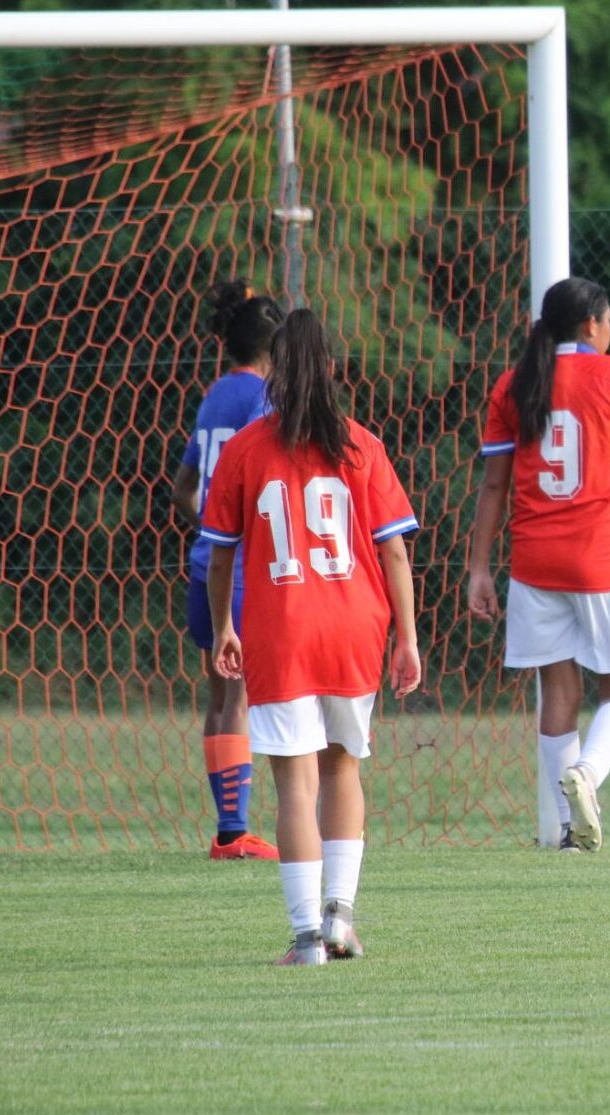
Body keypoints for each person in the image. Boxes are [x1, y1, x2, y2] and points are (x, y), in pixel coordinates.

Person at [201, 309, 422, 966]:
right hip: (356, 626)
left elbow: (218, 555)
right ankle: (340, 918)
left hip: (284, 629)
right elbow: (395, 554)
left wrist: (223, 628)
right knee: (341, 768)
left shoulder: (246, 449)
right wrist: (407, 636)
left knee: (294, 784)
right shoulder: (362, 444)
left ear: (273, 369)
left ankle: (305, 939)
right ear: (329, 367)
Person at [465, 277, 610, 853]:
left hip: (535, 561)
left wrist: (479, 568)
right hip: (604, 558)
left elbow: (493, 484)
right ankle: (586, 777)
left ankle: (569, 830)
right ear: (592, 323)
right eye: (609, 319)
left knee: (557, 688)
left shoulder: (513, 385)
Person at [172, 280, 282, 861]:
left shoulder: (215, 395)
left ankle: (229, 827)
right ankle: (236, 834)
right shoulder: (262, 399)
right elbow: (270, 476)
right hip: (240, 576)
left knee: (221, 696)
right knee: (239, 695)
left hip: (205, 569)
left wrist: (212, 532)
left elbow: (184, 488)